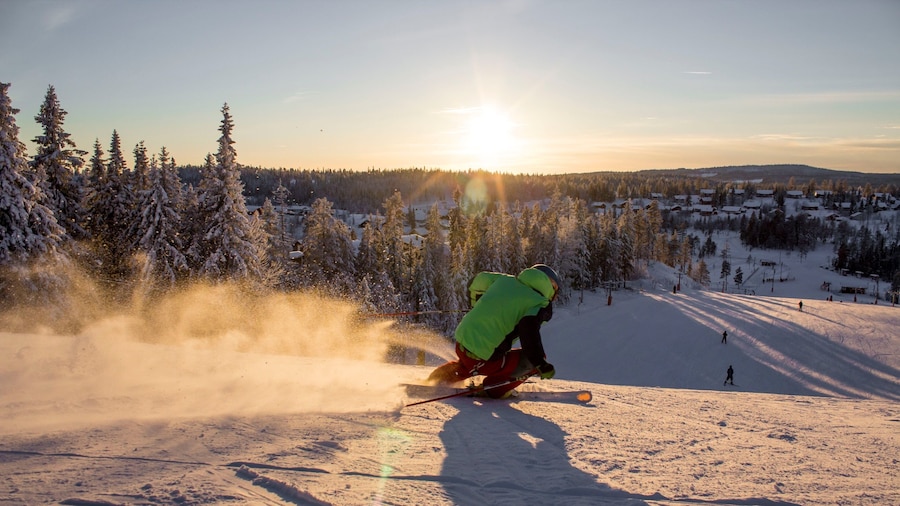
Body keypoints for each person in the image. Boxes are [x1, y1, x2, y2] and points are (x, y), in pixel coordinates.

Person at [426, 264, 561, 398]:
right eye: (556, 293)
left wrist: (478, 305)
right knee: (531, 362)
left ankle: (435, 379)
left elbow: (477, 281)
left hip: (461, 343)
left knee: (468, 363)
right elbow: (528, 330)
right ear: (552, 286)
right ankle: (493, 390)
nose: (555, 298)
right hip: (486, 357)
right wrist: (540, 364)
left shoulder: (505, 280)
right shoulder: (540, 303)